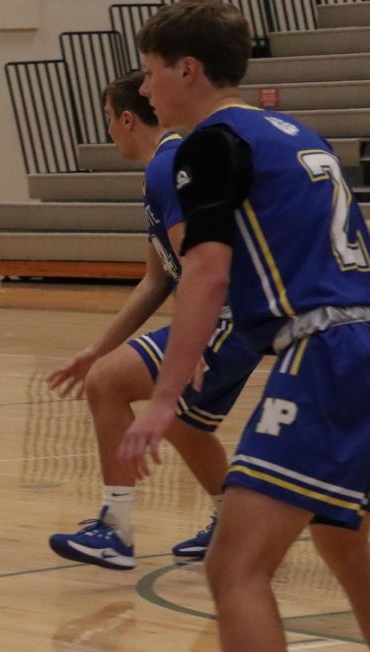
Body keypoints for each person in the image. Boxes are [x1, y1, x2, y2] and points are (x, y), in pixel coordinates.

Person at [121, 2, 370, 650]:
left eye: (150, 73)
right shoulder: (298, 132)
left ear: (189, 70)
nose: (145, 90)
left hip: (328, 348)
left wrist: (167, 397)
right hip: (357, 336)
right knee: (344, 543)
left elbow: (205, 273)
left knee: (234, 566)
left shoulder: (211, 144)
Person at [46, 70, 262, 570]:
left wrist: (193, 344)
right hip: (236, 318)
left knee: (107, 385)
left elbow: (199, 264)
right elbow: (155, 280)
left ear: (126, 118)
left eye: (108, 120)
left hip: (227, 314)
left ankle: (116, 529)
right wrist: (94, 349)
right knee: (184, 423)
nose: (108, 133)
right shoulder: (161, 169)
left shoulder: (168, 167)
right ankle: (230, 526)